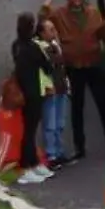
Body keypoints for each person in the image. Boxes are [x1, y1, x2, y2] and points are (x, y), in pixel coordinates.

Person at [40, 0, 105, 159]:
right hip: (74, 68)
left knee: (103, 105)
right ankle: (79, 147)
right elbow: (42, 15)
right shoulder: (59, 15)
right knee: (77, 108)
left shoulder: (93, 13)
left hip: (94, 65)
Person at [11, 12, 55, 183]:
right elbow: (48, 67)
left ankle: (34, 163)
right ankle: (25, 166)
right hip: (34, 93)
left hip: (22, 93)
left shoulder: (16, 46)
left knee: (28, 130)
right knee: (30, 132)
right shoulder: (33, 47)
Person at [35, 17, 73, 168]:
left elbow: (62, 66)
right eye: (50, 30)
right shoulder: (40, 48)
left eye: (54, 29)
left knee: (59, 123)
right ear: (41, 33)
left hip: (61, 88)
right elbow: (52, 64)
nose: (54, 32)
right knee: (50, 124)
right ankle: (51, 154)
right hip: (50, 91)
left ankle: (59, 151)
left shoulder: (54, 45)